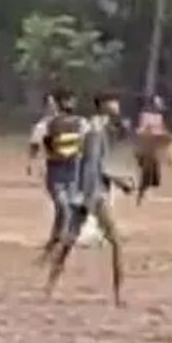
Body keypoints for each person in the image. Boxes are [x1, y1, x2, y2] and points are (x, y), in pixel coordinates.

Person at [45, 93, 124, 305]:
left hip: (86, 192)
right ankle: (119, 295)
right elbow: (93, 166)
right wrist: (117, 181)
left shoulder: (96, 128)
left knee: (69, 242)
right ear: (104, 106)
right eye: (114, 102)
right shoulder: (96, 131)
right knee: (116, 242)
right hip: (94, 193)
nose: (117, 105)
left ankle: (49, 287)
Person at [37, 89, 89, 263]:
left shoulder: (80, 123)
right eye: (67, 100)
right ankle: (56, 248)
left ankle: (54, 245)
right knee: (64, 209)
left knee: (64, 211)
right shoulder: (47, 125)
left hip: (71, 171)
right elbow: (37, 145)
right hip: (57, 172)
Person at [27, 93, 58, 177]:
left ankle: (43, 171)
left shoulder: (55, 113)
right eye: (50, 101)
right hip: (42, 131)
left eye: (52, 101)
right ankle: (32, 166)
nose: (52, 104)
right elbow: (35, 124)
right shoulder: (42, 113)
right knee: (38, 151)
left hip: (48, 132)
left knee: (46, 153)